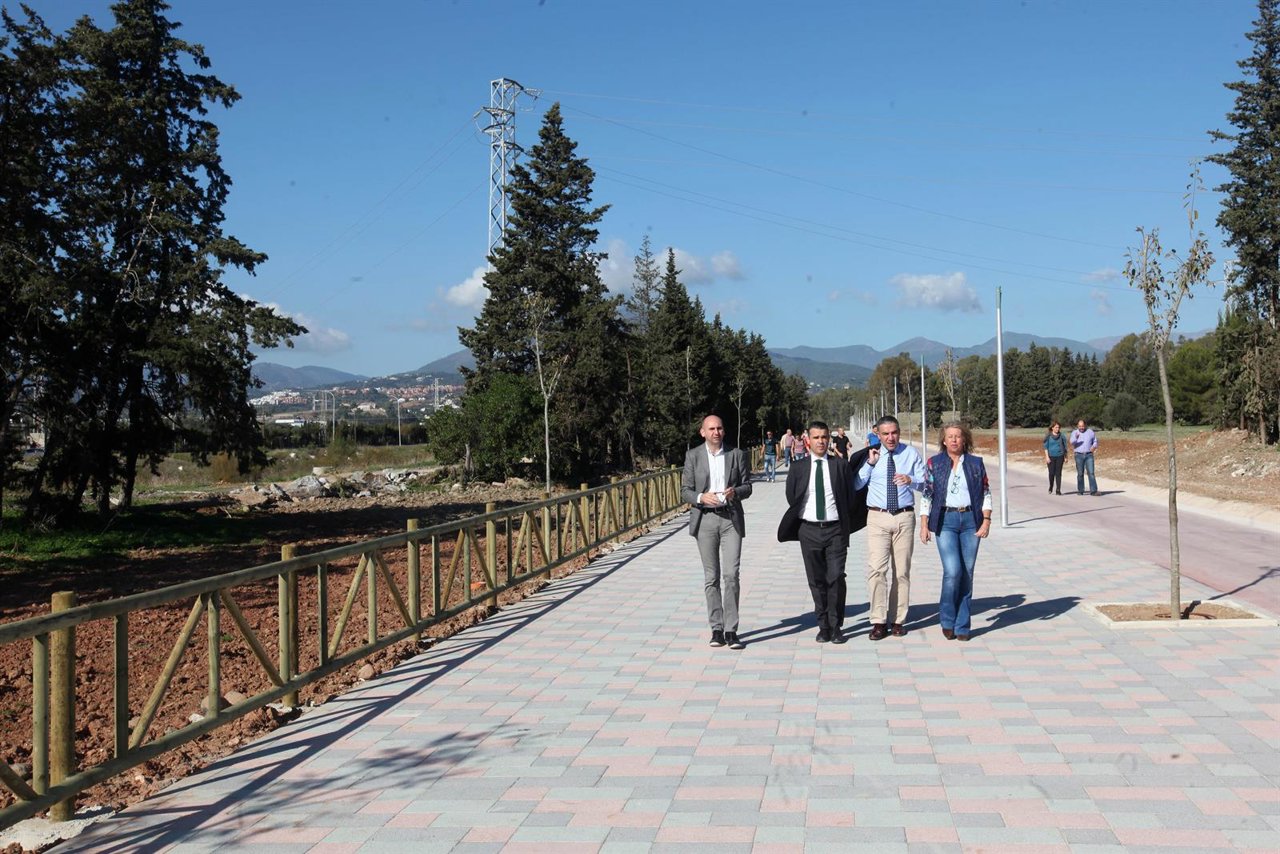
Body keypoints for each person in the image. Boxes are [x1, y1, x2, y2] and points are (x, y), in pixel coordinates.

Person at [777, 421, 865, 643]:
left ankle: (836, 626)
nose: (821, 441)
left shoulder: (840, 465)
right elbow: (792, 497)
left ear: (829, 439)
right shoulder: (798, 467)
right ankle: (823, 625)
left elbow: (849, 497)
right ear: (808, 439)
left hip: (835, 530)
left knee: (836, 577)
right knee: (816, 580)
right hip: (809, 530)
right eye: (816, 437)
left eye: (824, 437)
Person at [682, 414, 754, 650]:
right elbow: (686, 491)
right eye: (711, 428)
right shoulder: (693, 456)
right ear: (702, 432)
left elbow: (748, 486)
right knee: (711, 577)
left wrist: (736, 492)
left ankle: (731, 629)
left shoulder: (736, 454)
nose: (716, 432)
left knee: (731, 574)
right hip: (705, 520)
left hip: (730, 518)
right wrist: (702, 497)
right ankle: (716, 628)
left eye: (720, 428)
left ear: (724, 431)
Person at [855, 416, 927, 640]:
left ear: (899, 432)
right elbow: (856, 484)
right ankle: (878, 620)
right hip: (877, 517)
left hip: (904, 517)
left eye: (894, 432)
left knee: (902, 571)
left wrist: (911, 480)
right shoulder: (871, 455)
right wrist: (870, 464)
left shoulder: (911, 454)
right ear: (878, 434)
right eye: (885, 434)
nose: (890, 437)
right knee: (876, 569)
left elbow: (927, 483)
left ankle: (898, 619)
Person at [919, 423, 992, 642]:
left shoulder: (976, 464)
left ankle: (962, 625)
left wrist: (986, 520)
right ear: (943, 440)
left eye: (958, 437)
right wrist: (923, 524)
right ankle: (947, 619)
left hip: (971, 520)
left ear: (964, 440)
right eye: (949, 436)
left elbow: (986, 492)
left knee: (967, 572)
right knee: (953, 571)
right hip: (945, 521)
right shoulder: (935, 463)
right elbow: (927, 495)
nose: (953, 440)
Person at [1069, 418, 1099, 495]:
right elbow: (1071, 442)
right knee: (1080, 473)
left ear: (1085, 425)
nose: (1081, 428)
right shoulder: (1074, 432)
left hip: (1089, 454)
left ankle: (1093, 490)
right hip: (1078, 455)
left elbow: (1095, 441)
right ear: (1077, 426)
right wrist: (1076, 437)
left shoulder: (1090, 432)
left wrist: (1094, 446)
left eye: (1082, 426)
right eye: (1079, 426)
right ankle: (1080, 490)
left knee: (1091, 473)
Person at [1042, 421, 1068, 495]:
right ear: (1052, 427)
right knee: (1051, 473)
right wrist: (1047, 457)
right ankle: (1051, 486)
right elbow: (1045, 447)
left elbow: (1065, 446)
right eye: (1056, 427)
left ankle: (1058, 489)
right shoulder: (1048, 436)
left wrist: (1066, 457)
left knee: (1058, 473)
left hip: (1060, 456)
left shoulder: (1062, 436)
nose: (1057, 429)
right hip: (1050, 456)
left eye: (1059, 427)